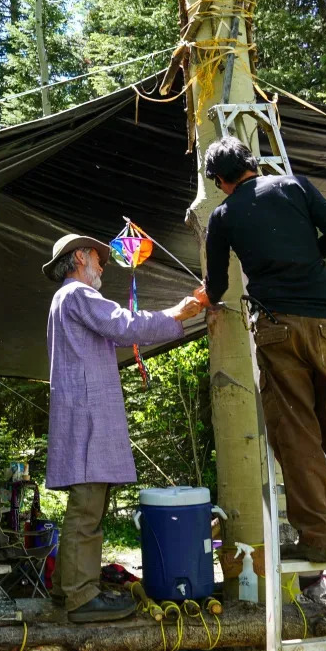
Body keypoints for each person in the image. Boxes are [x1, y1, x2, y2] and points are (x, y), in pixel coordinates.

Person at [200, 136, 326, 562]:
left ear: (220, 179)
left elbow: (216, 286)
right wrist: (308, 258)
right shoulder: (296, 186)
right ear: (250, 163)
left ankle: (319, 541)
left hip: (276, 327)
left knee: (298, 435)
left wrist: (206, 297)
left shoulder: (223, 215)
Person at [43, 234, 203, 622]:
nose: (101, 267)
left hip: (84, 415)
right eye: (97, 259)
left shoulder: (67, 299)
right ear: (79, 257)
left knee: (86, 508)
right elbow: (125, 325)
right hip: (87, 418)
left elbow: (116, 331)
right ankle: (81, 598)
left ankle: (69, 591)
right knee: (87, 509)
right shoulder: (77, 294)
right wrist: (179, 312)